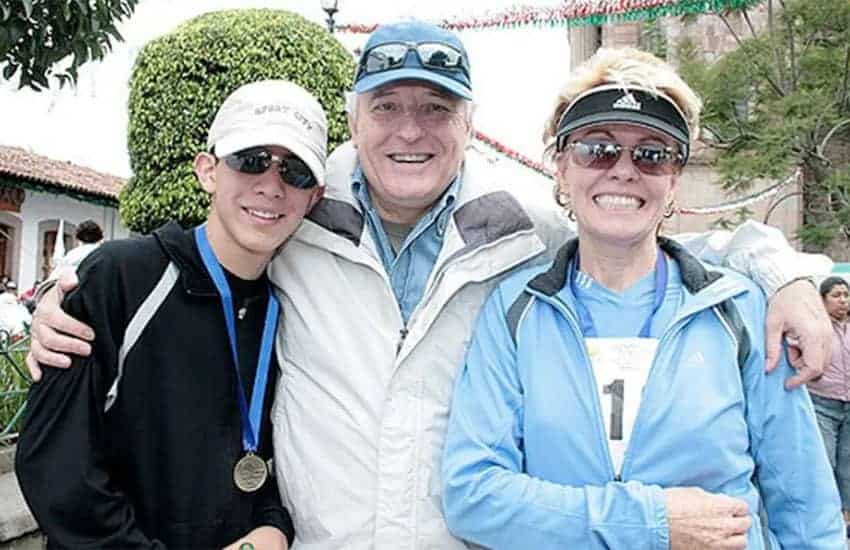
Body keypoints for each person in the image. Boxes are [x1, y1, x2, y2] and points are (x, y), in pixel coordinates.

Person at [27, 21, 835, 549]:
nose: (410, 129)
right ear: (354, 117)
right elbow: (208, 241)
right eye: (388, 106)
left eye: (435, 108)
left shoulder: (524, 224)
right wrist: (78, 283)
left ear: (469, 120)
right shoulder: (301, 204)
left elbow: (645, 226)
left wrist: (786, 274)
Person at [441, 47, 844, 549]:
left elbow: (806, 508)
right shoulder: (515, 311)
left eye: (652, 154)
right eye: (597, 149)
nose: (624, 170)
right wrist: (650, 522)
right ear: (561, 168)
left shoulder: (739, 309)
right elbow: (473, 495)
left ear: (674, 178)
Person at [15, 79, 328, 549]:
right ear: (208, 170)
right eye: (251, 160)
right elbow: (57, 467)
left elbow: (274, 461)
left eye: (296, 172)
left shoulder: (290, 308)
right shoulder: (120, 276)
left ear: (314, 198)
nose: (271, 185)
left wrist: (273, 527)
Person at [809, 276, 850, 535]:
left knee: (848, 463)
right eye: (836, 295)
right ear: (822, 300)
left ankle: (846, 517)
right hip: (822, 402)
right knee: (824, 460)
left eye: (846, 295)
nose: (843, 301)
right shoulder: (815, 326)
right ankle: (825, 517)